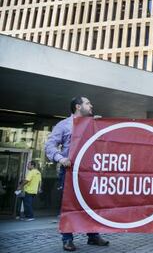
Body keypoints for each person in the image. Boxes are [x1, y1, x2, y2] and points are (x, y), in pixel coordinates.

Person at [45, 97, 109, 252]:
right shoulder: (64, 125)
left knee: (91, 203)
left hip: (89, 171)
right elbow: (50, 146)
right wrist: (61, 158)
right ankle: (67, 239)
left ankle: (93, 235)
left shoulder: (93, 123)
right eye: (88, 103)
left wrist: (101, 126)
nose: (91, 105)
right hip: (69, 171)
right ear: (78, 106)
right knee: (68, 205)